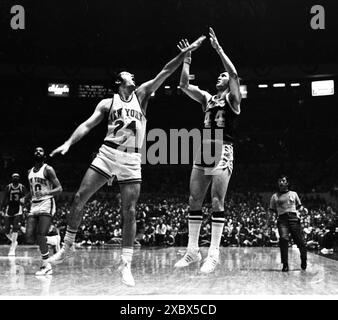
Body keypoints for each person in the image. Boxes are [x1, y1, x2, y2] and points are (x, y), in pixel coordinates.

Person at [47, 36, 206, 287]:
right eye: (128, 74)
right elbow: (87, 125)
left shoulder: (141, 95)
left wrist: (185, 54)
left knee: (129, 211)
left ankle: (126, 263)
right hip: (108, 153)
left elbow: (165, 71)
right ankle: (68, 246)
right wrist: (68, 143)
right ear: (120, 82)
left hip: (132, 158)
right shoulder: (107, 102)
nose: (133, 75)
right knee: (79, 198)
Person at [174, 28, 242, 274]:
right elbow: (183, 85)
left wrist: (218, 49)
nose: (220, 76)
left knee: (216, 201)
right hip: (204, 147)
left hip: (223, 147)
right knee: (194, 199)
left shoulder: (233, 100)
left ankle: (213, 254)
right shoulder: (207, 98)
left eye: (222, 76)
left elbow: (234, 73)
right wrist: (187, 57)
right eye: (220, 75)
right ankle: (193, 251)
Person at [25, 147, 63, 275]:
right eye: (36, 150)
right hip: (34, 205)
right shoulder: (29, 172)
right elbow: (32, 190)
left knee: (40, 235)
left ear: (44, 155)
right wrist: (25, 198)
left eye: (41, 151)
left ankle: (46, 266)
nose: (38, 152)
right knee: (29, 237)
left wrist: (47, 191)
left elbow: (59, 189)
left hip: (47, 203)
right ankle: (53, 240)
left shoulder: (48, 169)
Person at [267, 175, 308, 272]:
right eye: (279, 181)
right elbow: (271, 210)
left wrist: (303, 210)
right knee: (283, 240)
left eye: (283, 181)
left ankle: (304, 259)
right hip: (282, 220)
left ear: (287, 183)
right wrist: (270, 219)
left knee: (300, 242)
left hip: (294, 218)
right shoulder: (274, 196)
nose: (281, 182)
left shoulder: (294, 194)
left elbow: (299, 207)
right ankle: (285, 264)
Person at [0, 173, 26, 256]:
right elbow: (4, 198)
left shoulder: (22, 187)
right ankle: (14, 241)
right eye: (14, 177)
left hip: (18, 209)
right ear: (12, 178)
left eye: (17, 177)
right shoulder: (8, 187)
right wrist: (1, 208)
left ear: (19, 178)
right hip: (9, 208)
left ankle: (12, 249)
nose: (15, 178)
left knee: (15, 228)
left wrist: (25, 206)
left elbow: (24, 198)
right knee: (6, 230)